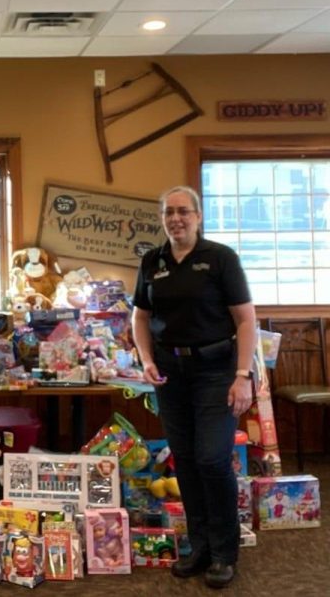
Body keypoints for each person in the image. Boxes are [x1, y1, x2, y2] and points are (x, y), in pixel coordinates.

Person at [131, 185, 255, 589]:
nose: (176, 219)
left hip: (216, 371)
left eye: (183, 211)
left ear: (198, 217)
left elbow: (245, 319)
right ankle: (198, 547)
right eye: (169, 212)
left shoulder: (220, 258)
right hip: (170, 373)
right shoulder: (152, 261)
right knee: (183, 458)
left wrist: (242, 376)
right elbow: (140, 317)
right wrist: (147, 360)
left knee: (212, 459)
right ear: (162, 217)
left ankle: (224, 552)